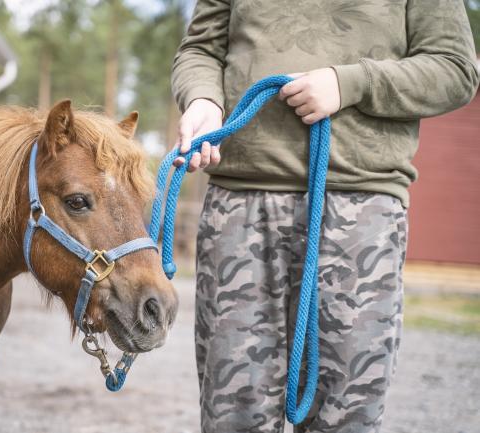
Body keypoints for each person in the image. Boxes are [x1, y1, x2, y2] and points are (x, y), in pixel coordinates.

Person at [171, 1, 479, 432]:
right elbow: (201, 49)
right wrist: (203, 99)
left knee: (346, 413)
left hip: (360, 211)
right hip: (239, 209)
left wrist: (350, 82)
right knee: (232, 414)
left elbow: (455, 68)